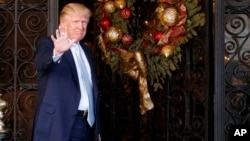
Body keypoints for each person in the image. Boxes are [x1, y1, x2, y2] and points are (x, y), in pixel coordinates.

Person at [32, 3, 101, 141]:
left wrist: (96, 130)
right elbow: (40, 63)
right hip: (58, 124)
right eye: (76, 21)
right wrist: (57, 52)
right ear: (63, 23)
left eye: (84, 22)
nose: (81, 27)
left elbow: (90, 90)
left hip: (87, 124)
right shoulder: (48, 43)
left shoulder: (86, 51)